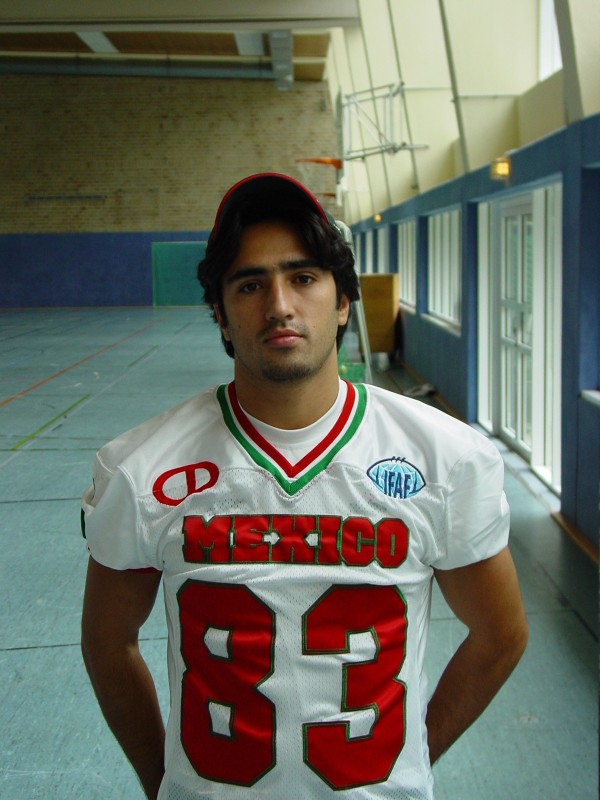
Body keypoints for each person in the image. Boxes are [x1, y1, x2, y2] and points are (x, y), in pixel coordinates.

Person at [81, 173, 528, 800]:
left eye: (304, 277)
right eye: (249, 284)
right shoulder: (142, 469)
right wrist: (166, 785)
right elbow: (108, 644)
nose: (279, 305)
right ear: (221, 315)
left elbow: (502, 634)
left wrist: (412, 755)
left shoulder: (445, 459)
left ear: (343, 302)